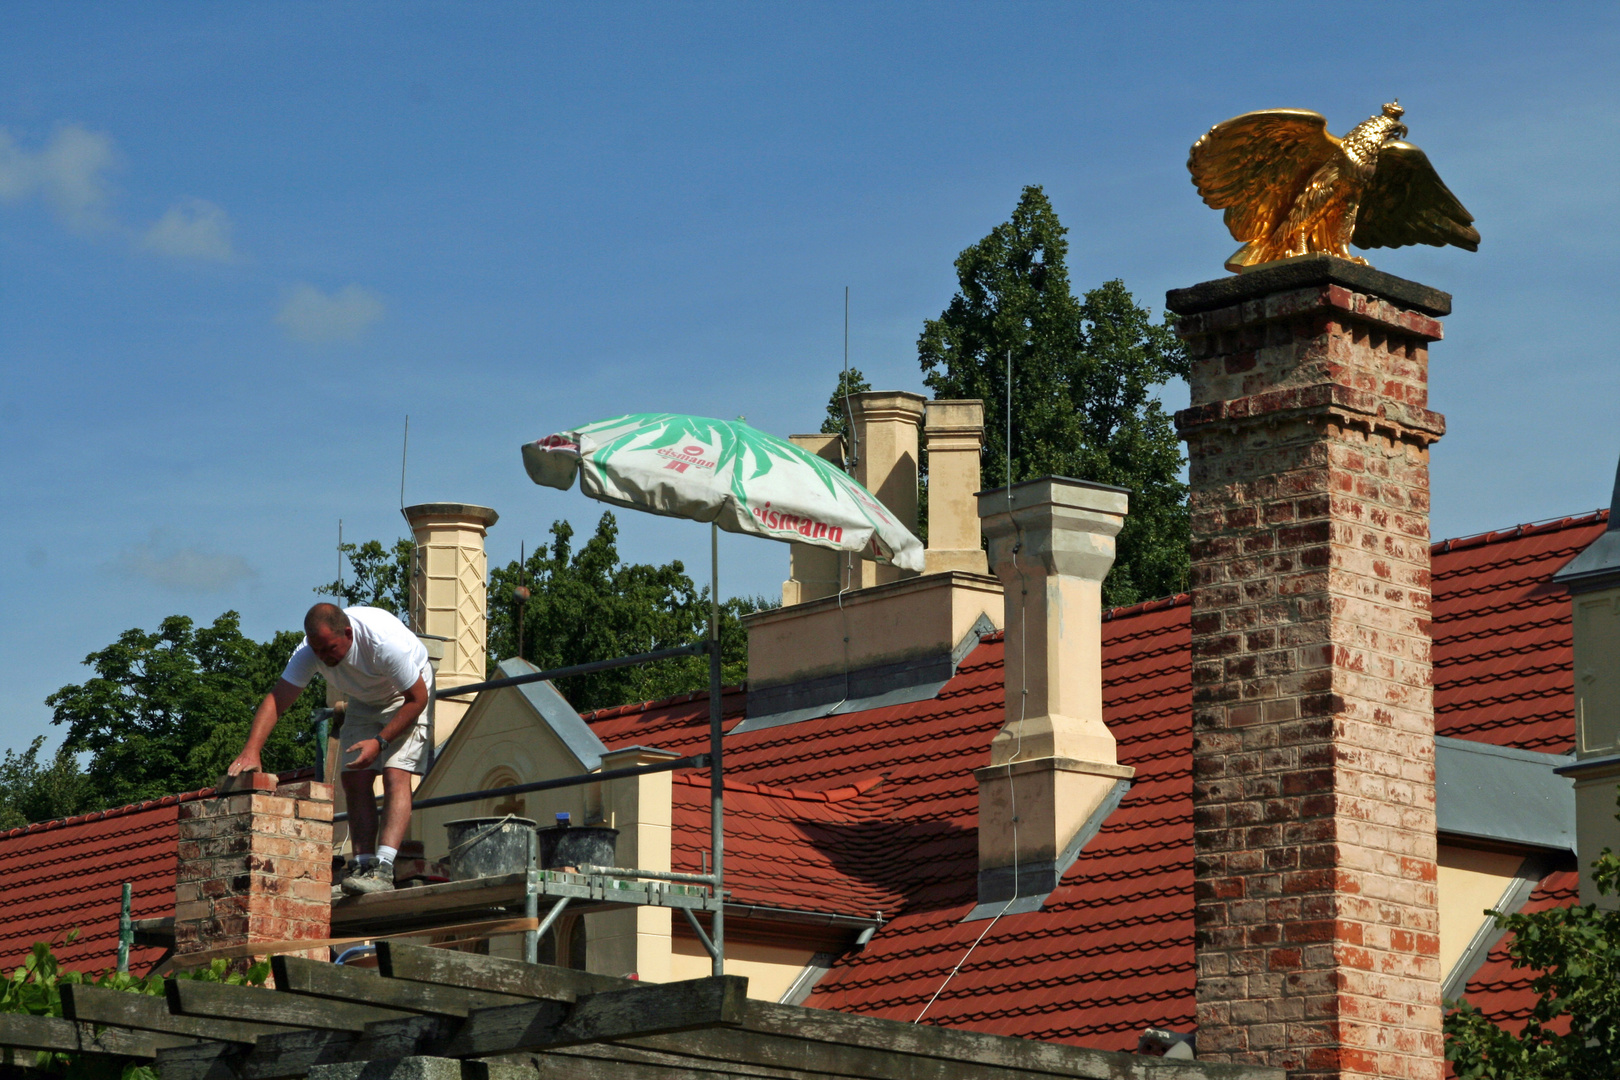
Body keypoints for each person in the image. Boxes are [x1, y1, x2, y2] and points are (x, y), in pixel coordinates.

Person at [227, 602, 432, 895]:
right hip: (364, 699)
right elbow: (277, 699)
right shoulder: (309, 651)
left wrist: (380, 741)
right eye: (317, 650)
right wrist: (252, 749)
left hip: (407, 694)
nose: (323, 657)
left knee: (395, 774)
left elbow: (417, 698)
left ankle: (383, 868)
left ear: (348, 633)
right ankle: (362, 866)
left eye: (329, 649)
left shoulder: (384, 644)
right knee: (354, 777)